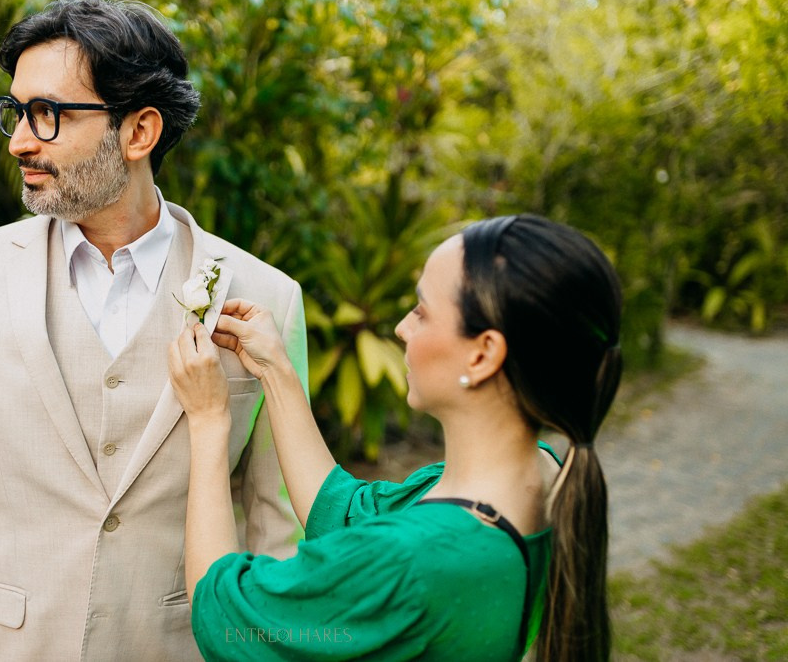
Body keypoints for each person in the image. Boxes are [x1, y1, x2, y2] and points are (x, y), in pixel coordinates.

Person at [0, 0, 306, 659]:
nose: (18, 140)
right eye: (16, 111)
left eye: (48, 115)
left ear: (139, 131)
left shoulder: (267, 299)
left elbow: (278, 531)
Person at [169, 214, 621, 661]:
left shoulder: (412, 560)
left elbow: (227, 620)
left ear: (483, 354)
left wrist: (209, 421)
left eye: (422, 311)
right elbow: (346, 512)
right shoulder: (539, 475)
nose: (403, 327)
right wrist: (275, 369)